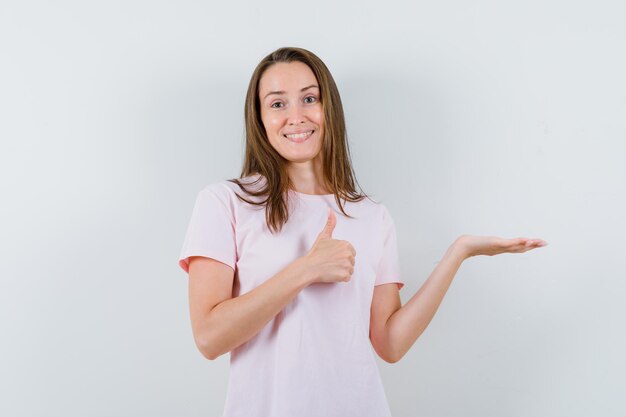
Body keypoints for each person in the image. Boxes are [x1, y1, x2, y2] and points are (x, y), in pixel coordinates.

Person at [177, 46, 547, 417]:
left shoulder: (371, 217)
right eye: (277, 104)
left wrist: (459, 252)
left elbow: (390, 344)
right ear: (258, 118)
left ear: (329, 109)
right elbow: (209, 337)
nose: (296, 116)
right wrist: (306, 269)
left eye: (309, 98)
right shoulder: (226, 202)